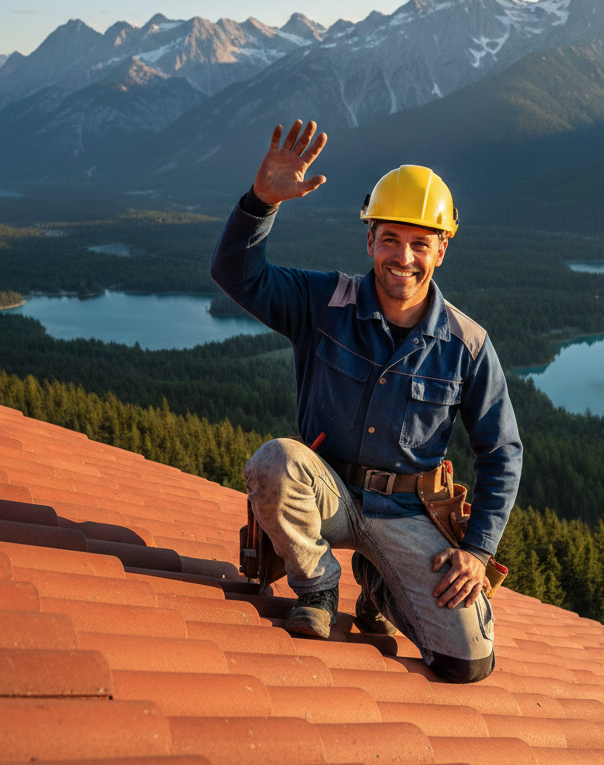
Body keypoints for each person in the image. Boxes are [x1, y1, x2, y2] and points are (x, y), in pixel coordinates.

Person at [210, 119, 522, 683]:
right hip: (324, 494)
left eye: (420, 244)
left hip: (407, 512)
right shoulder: (322, 301)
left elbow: (502, 452)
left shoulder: (468, 345)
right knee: (274, 461)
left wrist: (476, 552)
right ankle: (319, 585)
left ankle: (379, 581)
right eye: (391, 240)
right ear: (370, 240)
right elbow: (236, 273)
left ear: (442, 250)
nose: (403, 258)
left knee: (467, 661)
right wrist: (260, 203)